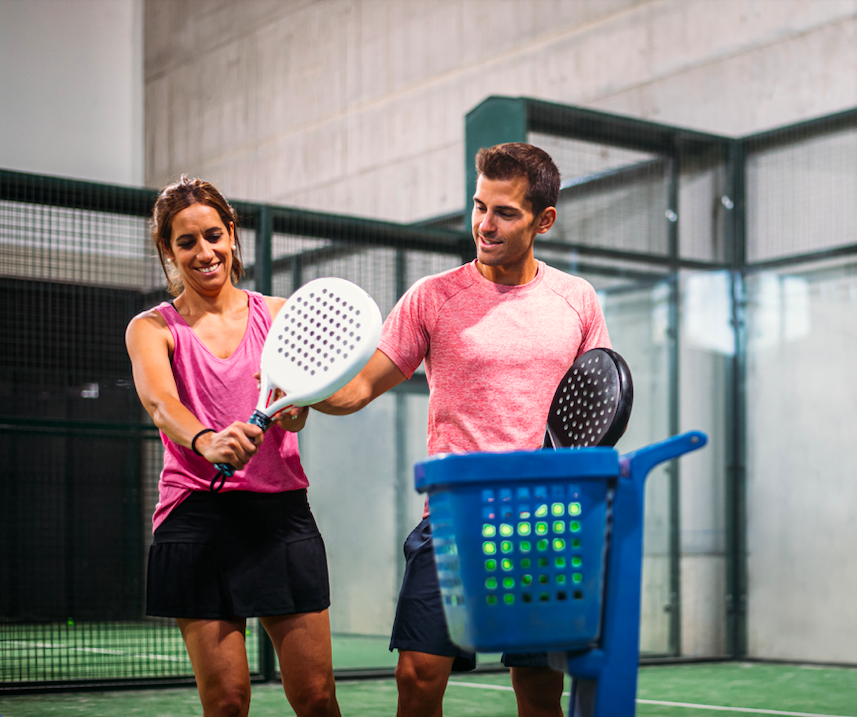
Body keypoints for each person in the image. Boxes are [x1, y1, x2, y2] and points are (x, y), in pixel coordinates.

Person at [318, 143, 612, 717]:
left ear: (544, 220)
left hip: (545, 524)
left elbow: (595, 408)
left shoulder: (576, 299)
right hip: (455, 518)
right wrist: (306, 396)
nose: (485, 224)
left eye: (505, 212)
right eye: (479, 206)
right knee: (417, 675)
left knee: (539, 689)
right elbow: (359, 387)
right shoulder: (433, 298)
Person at [125, 177, 341, 717]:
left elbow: (298, 408)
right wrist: (207, 440)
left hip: (280, 514)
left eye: (213, 236)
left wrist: (295, 411)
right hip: (197, 517)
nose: (205, 253)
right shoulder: (152, 328)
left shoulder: (279, 314)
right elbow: (160, 403)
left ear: (231, 233)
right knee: (226, 702)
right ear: (168, 250)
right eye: (187, 242)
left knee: (317, 698)